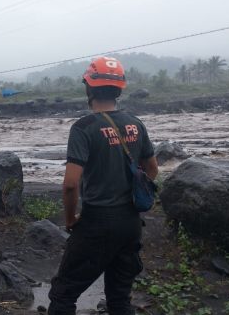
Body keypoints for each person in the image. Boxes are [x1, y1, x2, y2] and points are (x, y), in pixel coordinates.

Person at [48, 57, 158, 315]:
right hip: (131, 223)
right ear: (119, 89)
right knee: (119, 299)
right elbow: (152, 170)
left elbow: (70, 185)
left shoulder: (83, 128)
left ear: (89, 87)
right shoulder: (135, 123)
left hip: (97, 222)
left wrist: (70, 219)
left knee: (63, 294)